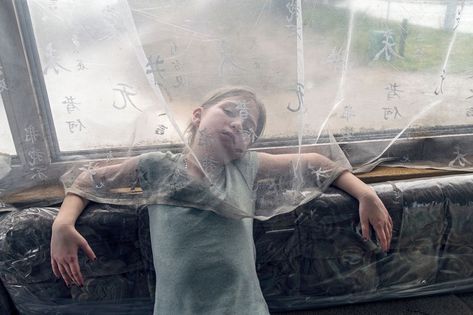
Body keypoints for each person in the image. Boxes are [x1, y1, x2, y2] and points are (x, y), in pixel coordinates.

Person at [51, 87, 393, 314]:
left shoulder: (246, 167)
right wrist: (63, 223)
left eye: (248, 127)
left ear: (248, 144)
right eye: (229, 111)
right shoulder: (156, 167)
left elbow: (318, 163)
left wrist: (365, 193)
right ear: (198, 114)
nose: (236, 125)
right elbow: (88, 179)